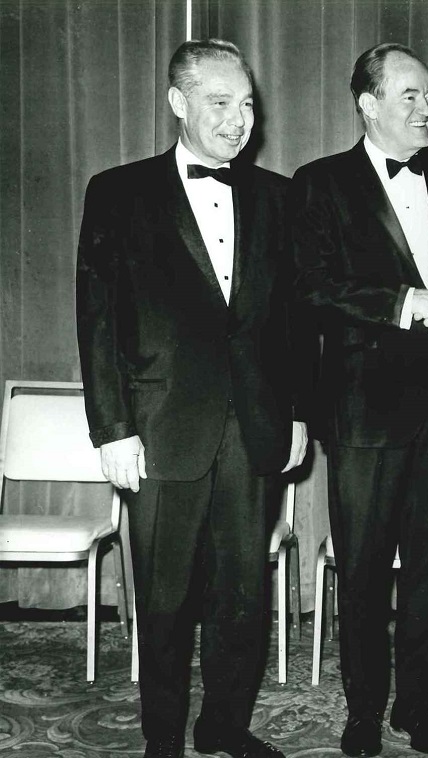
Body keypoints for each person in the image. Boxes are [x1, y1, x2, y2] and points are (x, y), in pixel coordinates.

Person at [75, 38, 307, 758]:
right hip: (160, 427)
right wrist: (112, 429)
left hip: (255, 427)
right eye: (220, 104)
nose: (239, 121)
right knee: (167, 599)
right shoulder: (119, 191)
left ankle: (225, 727)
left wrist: (298, 414)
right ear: (178, 103)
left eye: (246, 106)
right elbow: (98, 319)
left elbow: (295, 320)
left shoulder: (277, 196)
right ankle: (163, 739)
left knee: (242, 598)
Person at [288, 43, 428, 758]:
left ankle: (417, 710)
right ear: (367, 104)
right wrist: (405, 301)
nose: (426, 110)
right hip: (361, 411)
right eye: (409, 96)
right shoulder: (319, 184)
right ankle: (363, 712)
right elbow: (310, 286)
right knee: (365, 572)